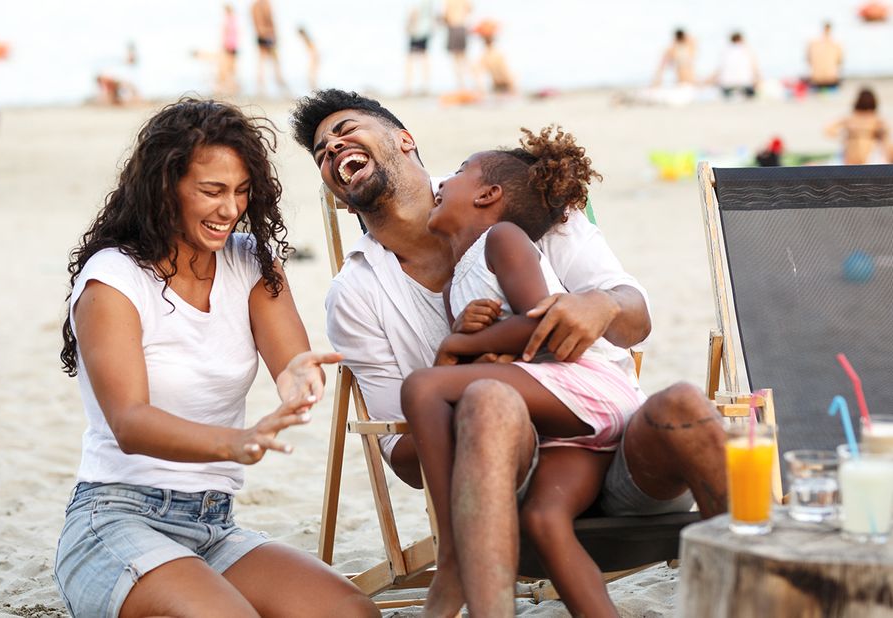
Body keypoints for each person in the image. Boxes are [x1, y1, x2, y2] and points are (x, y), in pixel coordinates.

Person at [290, 89, 726, 616]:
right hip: (519, 484)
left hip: (626, 449)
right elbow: (403, 459)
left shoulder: (527, 215)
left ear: (404, 140)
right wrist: (476, 392)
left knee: (681, 401)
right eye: (321, 152)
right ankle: (464, 558)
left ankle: (766, 579)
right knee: (490, 402)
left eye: (345, 130)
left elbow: (629, 319)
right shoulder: (356, 293)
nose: (333, 148)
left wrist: (600, 306)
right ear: (337, 194)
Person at [53, 99, 377, 618]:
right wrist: (238, 442)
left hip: (213, 526)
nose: (230, 209)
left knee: (352, 613)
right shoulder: (111, 280)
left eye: (242, 191)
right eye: (212, 191)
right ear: (165, 187)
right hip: (116, 520)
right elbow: (130, 422)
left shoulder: (249, 261)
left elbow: (292, 362)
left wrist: (300, 380)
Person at [402, 127, 646, 616]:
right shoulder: (460, 281)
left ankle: (452, 552)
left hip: (589, 385)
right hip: (564, 430)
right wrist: (468, 345)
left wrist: (459, 343)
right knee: (547, 521)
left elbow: (542, 324)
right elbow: (495, 355)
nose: (441, 182)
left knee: (423, 386)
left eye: (456, 173)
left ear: (488, 195)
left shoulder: (503, 238)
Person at [825, 87, 891, 165]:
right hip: (854, 160)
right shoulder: (873, 120)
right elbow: (829, 130)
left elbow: (885, 140)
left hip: (864, 160)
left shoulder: (874, 120)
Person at [251, 0, 289, 96]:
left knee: (261, 61)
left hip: (260, 34)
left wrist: (260, 32)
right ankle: (280, 82)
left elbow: (255, 22)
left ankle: (260, 86)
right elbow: (270, 19)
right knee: (275, 61)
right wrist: (273, 35)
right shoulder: (266, 3)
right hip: (268, 34)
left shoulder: (254, 5)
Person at [714, 32, 760, 99]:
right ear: (742, 40)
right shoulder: (747, 50)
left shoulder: (725, 52)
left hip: (727, 85)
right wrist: (757, 81)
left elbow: (719, 70)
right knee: (752, 94)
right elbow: (755, 68)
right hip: (745, 84)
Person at [473, 20, 515, 95]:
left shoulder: (484, 56)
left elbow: (477, 75)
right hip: (505, 86)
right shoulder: (497, 54)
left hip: (498, 87)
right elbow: (508, 74)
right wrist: (514, 89)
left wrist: (481, 91)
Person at [404, 0, 435, 96]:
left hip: (417, 32)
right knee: (423, 59)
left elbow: (414, 13)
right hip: (424, 31)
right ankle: (425, 86)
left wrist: (408, 26)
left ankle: (410, 87)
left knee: (412, 61)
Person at [443, 0, 473, 91]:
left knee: (456, 60)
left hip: (453, 27)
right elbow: (470, 9)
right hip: (462, 27)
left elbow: (446, 15)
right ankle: (474, 83)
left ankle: (462, 85)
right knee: (464, 58)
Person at [807, 21, 844, 90]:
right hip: (829, 79)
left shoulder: (814, 43)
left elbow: (808, 59)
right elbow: (840, 61)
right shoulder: (835, 44)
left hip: (819, 79)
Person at [219, 4, 240, 96]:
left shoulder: (228, 20)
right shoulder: (234, 20)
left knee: (227, 68)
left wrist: (224, 44)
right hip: (233, 46)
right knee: (231, 68)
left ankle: (229, 86)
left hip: (229, 46)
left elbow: (225, 33)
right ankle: (232, 86)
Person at [297, 26, 319, 92]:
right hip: (313, 58)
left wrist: (313, 60)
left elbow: (314, 50)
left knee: (311, 76)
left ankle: (314, 90)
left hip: (314, 58)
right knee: (311, 76)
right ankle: (313, 90)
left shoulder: (307, 39)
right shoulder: (306, 39)